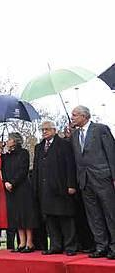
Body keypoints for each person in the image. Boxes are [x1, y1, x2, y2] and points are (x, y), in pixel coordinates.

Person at [70, 106, 115, 259]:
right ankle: (101, 246)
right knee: (94, 216)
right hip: (85, 180)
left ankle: (114, 247)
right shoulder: (74, 135)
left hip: (102, 178)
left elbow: (111, 152)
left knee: (110, 213)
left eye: (75, 115)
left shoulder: (100, 129)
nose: (72, 117)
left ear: (84, 116)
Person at [32, 121, 77, 256]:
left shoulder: (64, 144)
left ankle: (70, 246)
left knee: (65, 218)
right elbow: (36, 169)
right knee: (50, 219)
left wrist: (71, 184)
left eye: (47, 129)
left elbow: (70, 165)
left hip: (61, 187)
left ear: (54, 130)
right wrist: (35, 187)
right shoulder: (39, 147)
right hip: (44, 189)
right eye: (42, 130)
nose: (44, 132)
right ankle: (55, 245)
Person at [0, 132, 39, 253]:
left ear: (15, 141)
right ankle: (21, 242)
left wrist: (12, 182)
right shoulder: (6, 155)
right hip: (10, 189)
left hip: (22, 188)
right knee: (16, 216)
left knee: (26, 215)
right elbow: (2, 169)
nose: (7, 141)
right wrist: (6, 182)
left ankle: (29, 242)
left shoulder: (23, 153)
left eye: (9, 139)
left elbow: (23, 170)